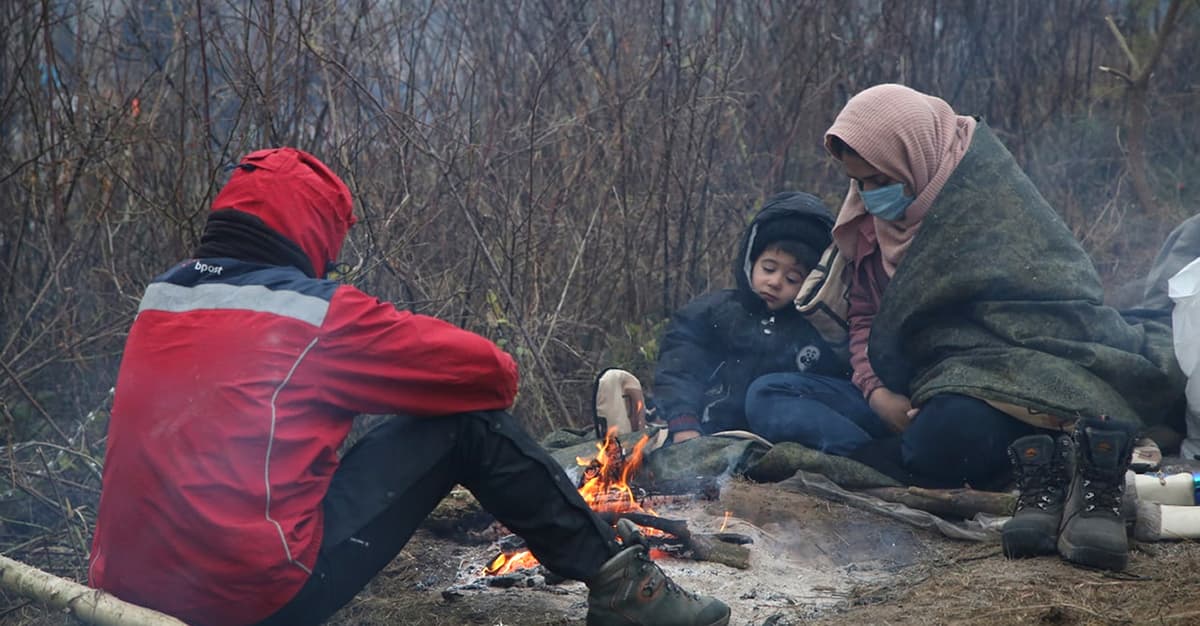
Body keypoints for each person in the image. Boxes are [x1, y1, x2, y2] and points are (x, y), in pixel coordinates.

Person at [87, 147, 731, 626]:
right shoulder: (313, 312)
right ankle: (624, 591)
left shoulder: (163, 297)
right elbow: (492, 374)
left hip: (123, 595)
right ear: (315, 237)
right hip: (248, 601)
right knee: (467, 423)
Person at [822, 83, 1184, 570]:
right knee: (776, 394)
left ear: (913, 156)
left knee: (944, 442)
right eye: (856, 182)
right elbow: (865, 318)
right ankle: (1045, 456)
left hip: (1028, 362)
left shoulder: (983, 192)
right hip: (928, 379)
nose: (867, 196)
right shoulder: (868, 226)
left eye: (876, 180)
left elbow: (1058, 286)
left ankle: (1065, 458)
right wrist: (875, 393)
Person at [654, 191, 885, 453]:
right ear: (751, 261)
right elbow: (680, 367)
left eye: (793, 279)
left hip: (773, 438)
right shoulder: (716, 312)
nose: (775, 282)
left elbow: (830, 394)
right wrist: (684, 423)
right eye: (769, 268)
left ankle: (869, 454)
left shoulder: (817, 330)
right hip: (710, 430)